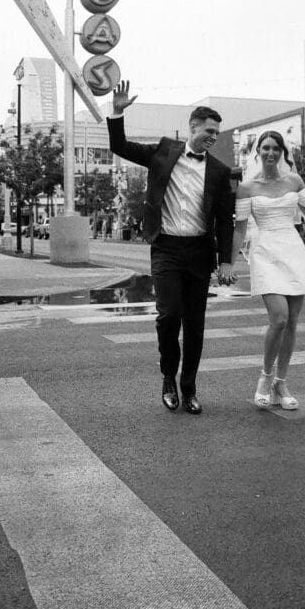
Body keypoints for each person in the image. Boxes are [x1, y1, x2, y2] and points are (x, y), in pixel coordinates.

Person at [107, 80, 235, 415]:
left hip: (199, 252)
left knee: (195, 324)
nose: (213, 136)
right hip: (166, 248)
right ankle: (168, 377)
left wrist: (226, 262)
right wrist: (117, 113)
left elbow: (225, 219)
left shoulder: (220, 171)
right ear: (193, 127)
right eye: (209, 130)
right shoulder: (163, 152)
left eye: (216, 133)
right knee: (169, 315)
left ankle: (189, 387)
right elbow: (120, 146)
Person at [228, 131, 305, 411]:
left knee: (292, 322)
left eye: (275, 148)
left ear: (282, 152)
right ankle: (265, 378)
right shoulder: (246, 188)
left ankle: (282, 382)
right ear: (258, 152)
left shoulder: (294, 181)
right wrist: (229, 263)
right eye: (265, 148)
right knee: (278, 318)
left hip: (292, 250)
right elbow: (240, 228)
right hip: (264, 251)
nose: (270, 152)